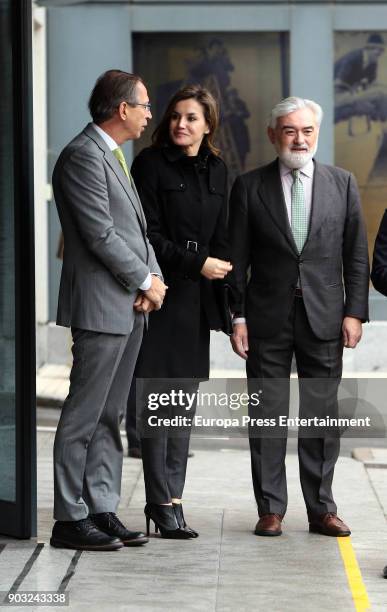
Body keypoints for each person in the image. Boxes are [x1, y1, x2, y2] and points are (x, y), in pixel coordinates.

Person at [229, 96, 369, 537]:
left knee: (322, 417)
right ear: (274, 135)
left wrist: (355, 313)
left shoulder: (342, 183)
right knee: (267, 415)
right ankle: (271, 508)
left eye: (307, 130)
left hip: (326, 317)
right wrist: (237, 317)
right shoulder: (249, 187)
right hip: (266, 318)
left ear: (317, 134)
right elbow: (237, 258)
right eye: (290, 130)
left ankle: (321, 508)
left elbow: (356, 257)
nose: (299, 139)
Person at [50, 69, 167, 551]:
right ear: (122, 109)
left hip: (129, 303)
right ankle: (68, 518)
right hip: (101, 305)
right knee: (84, 414)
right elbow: (100, 234)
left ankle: (100, 508)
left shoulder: (114, 155)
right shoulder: (82, 156)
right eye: (143, 106)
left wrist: (153, 279)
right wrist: (144, 279)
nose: (148, 115)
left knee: (110, 415)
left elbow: (136, 232)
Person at [132, 84, 232, 539]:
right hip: (161, 295)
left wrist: (231, 303)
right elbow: (147, 235)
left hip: (198, 302)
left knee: (182, 408)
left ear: (207, 125)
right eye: (175, 116)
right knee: (158, 404)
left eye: (191, 118)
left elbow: (223, 234)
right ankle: (158, 501)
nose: (180, 124)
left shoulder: (218, 170)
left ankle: (174, 499)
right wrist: (199, 263)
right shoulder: (149, 165)